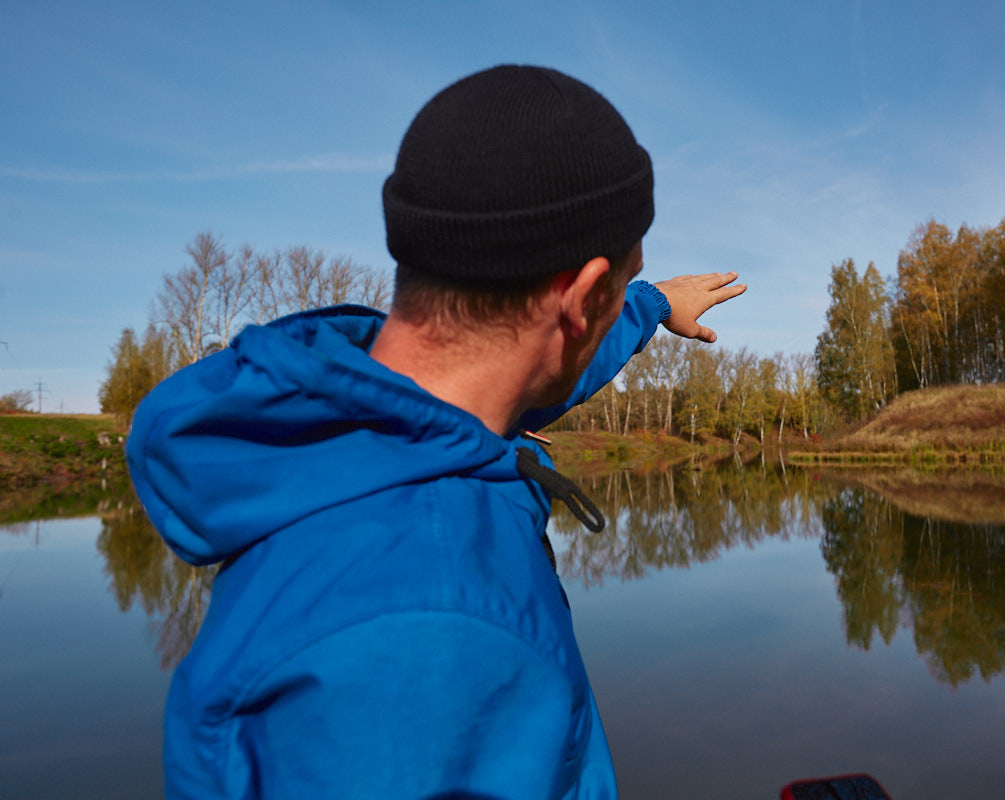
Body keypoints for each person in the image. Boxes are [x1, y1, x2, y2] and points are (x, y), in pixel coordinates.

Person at [127, 64, 745, 799]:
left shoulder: (355, 416)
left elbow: (536, 366)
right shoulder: (435, 631)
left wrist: (642, 304)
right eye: (614, 290)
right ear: (578, 300)